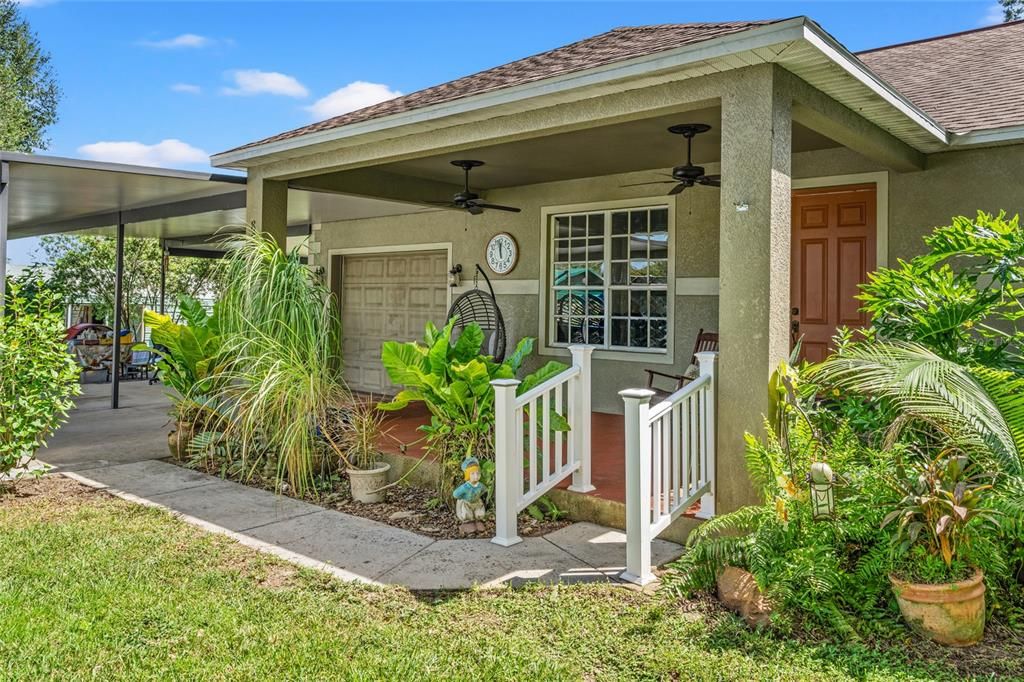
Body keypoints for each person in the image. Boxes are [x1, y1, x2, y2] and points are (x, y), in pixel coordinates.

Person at [452, 455, 486, 534]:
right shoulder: (465, 487)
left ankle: (478, 521)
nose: (476, 476)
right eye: (473, 474)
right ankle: (468, 523)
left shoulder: (480, 485)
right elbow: (455, 494)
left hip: (477, 502)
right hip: (467, 502)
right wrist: (462, 498)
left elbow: (484, 490)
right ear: (468, 475)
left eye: (478, 474)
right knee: (467, 512)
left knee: (479, 510)